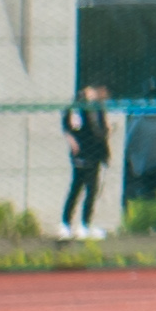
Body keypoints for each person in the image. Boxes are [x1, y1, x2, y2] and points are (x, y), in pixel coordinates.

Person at [57, 83, 113, 243]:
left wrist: (105, 151)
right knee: (77, 188)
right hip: (82, 153)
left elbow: (102, 130)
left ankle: (84, 225)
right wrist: (72, 142)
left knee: (91, 189)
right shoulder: (78, 105)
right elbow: (67, 126)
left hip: (94, 153)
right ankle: (66, 224)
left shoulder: (98, 107)